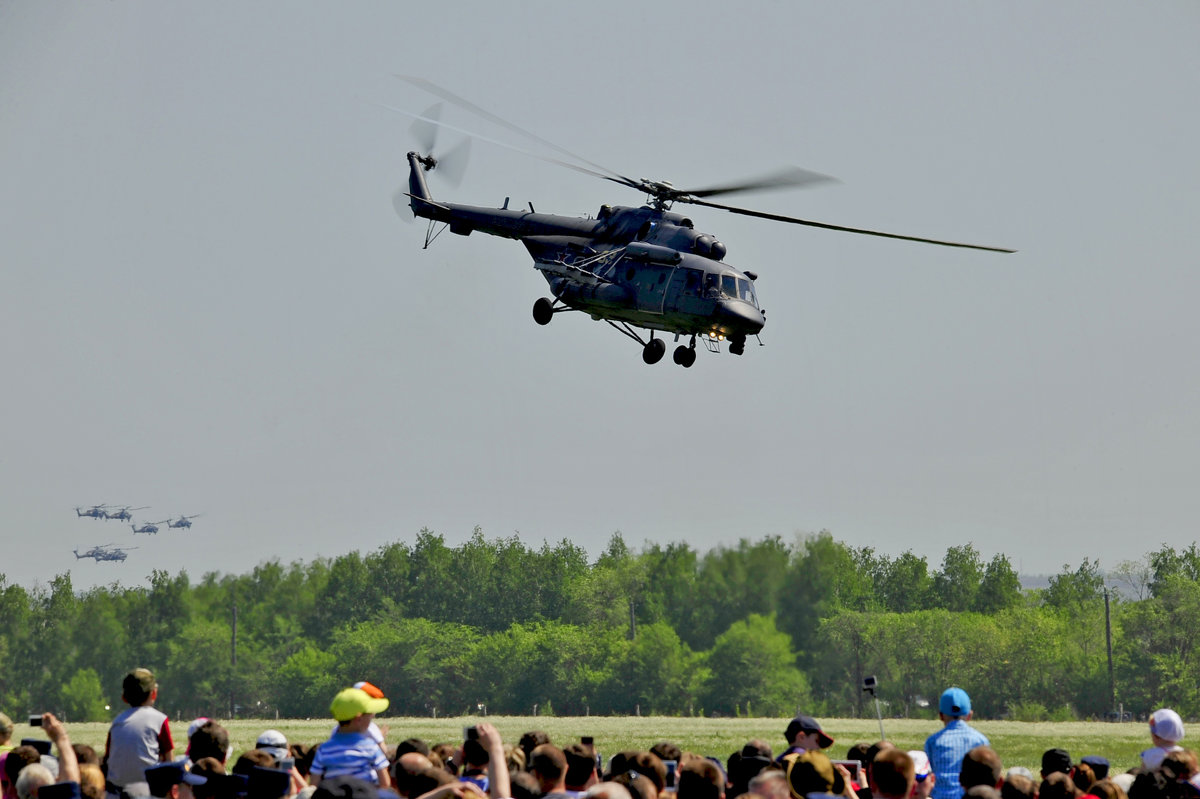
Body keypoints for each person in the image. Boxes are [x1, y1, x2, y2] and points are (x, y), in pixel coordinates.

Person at [102, 669, 174, 799]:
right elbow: (169, 761)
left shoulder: (117, 722)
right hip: (148, 791)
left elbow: (107, 759)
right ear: (154, 694)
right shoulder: (159, 720)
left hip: (116, 792)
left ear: (124, 697)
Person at [309, 688, 390, 788]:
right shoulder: (370, 747)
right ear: (358, 719)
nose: (371, 718)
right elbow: (385, 784)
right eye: (369, 715)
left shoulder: (323, 749)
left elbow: (313, 785)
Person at [924, 688, 988, 799]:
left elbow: (928, 775)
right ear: (969, 715)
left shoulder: (932, 742)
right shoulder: (980, 740)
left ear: (941, 715)